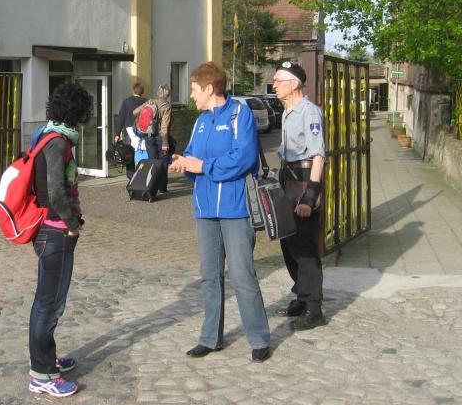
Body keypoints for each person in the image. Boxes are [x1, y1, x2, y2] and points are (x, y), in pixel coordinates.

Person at [169, 62, 272, 362]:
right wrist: (184, 162)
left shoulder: (240, 114)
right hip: (204, 209)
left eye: (194, 90)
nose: (191, 95)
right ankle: (210, 338)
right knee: (209, 276)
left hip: (235, 208)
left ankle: (259, 338)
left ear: (209, 89)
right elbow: (193, 154)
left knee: (242, 276)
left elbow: (244, 158)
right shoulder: (201, 121)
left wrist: (203, 166)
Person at [27, 82, 93, 397]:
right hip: (55, 230)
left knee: (51, 300)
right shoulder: (57, 142)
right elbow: (55, 190)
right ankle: (41, 374)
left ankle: (47, 358)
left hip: (50, 229)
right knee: (48, 302)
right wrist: (72, 223)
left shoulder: (45, 133)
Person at [273, 61, 327, 331]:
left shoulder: (309, 112)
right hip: (288, 181)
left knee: (305, 248)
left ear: (294, 84)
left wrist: (311, 196)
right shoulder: (287, 112)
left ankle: (314, 307)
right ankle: (301, 295)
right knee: (288, 243)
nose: (274, 85)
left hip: (304, 183)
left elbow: (318, 155)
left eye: (278, 81)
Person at [133, 84, 173, 193]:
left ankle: (152, 187)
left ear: (158, 92)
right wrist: (165, 142)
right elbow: (164, 126)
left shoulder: (150, 102)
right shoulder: (166, 106)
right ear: (168, 94)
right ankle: (162, 188)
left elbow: (135, 112)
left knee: (153, 162)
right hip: (160, 137)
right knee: (163, 162)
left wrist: (145, 117)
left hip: (148, 137)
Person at [113, 82, 147, 179]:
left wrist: (117, 133)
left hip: (129, 132)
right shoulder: (146, 102)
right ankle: (142, 174)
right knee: (142, 153)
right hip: (143, 132)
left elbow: (121, 118)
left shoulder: (126, 102)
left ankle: (131, 175)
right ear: (142, 92)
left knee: (129, 155)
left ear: (133, 90)